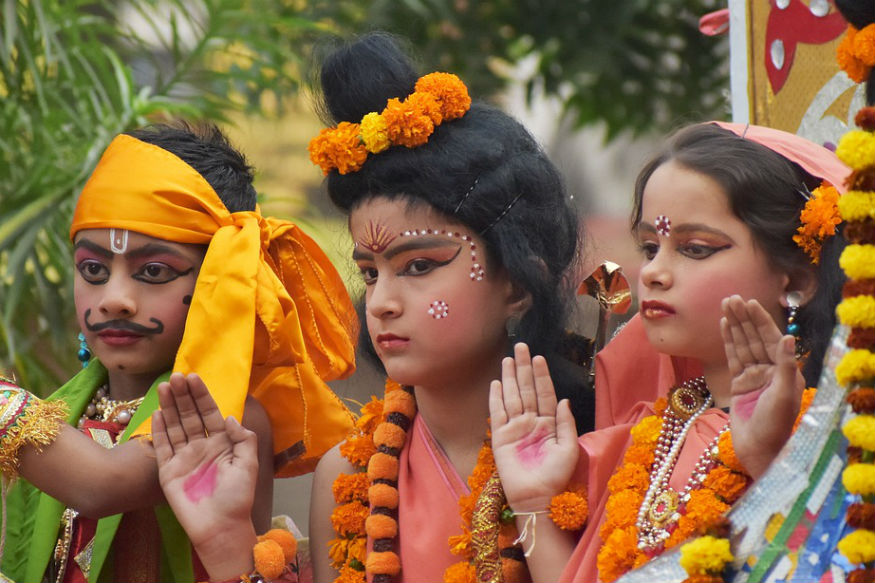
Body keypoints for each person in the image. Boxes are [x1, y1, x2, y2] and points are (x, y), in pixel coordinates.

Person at [147, 32, 597, 583]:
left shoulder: (594, 442)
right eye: (370, 272)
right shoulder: (349, 474)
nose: (381, 302)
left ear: (520, 282)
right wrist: (226, 544)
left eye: (420, 266)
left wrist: (534, 507)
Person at [490, 121, 850, 582]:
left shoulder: (835, 438)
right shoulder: (648, 436)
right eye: (649, 246)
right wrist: (533, 501)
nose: (654, 272)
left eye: (695, 249)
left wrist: (770, 460)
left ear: (798, 279)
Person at [2, 123, 358, 583]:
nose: (115, 298)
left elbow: (102, 483)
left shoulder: (225, 420)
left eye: (152, 271)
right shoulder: (64, 410)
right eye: (93, 268)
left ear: (218, 283)